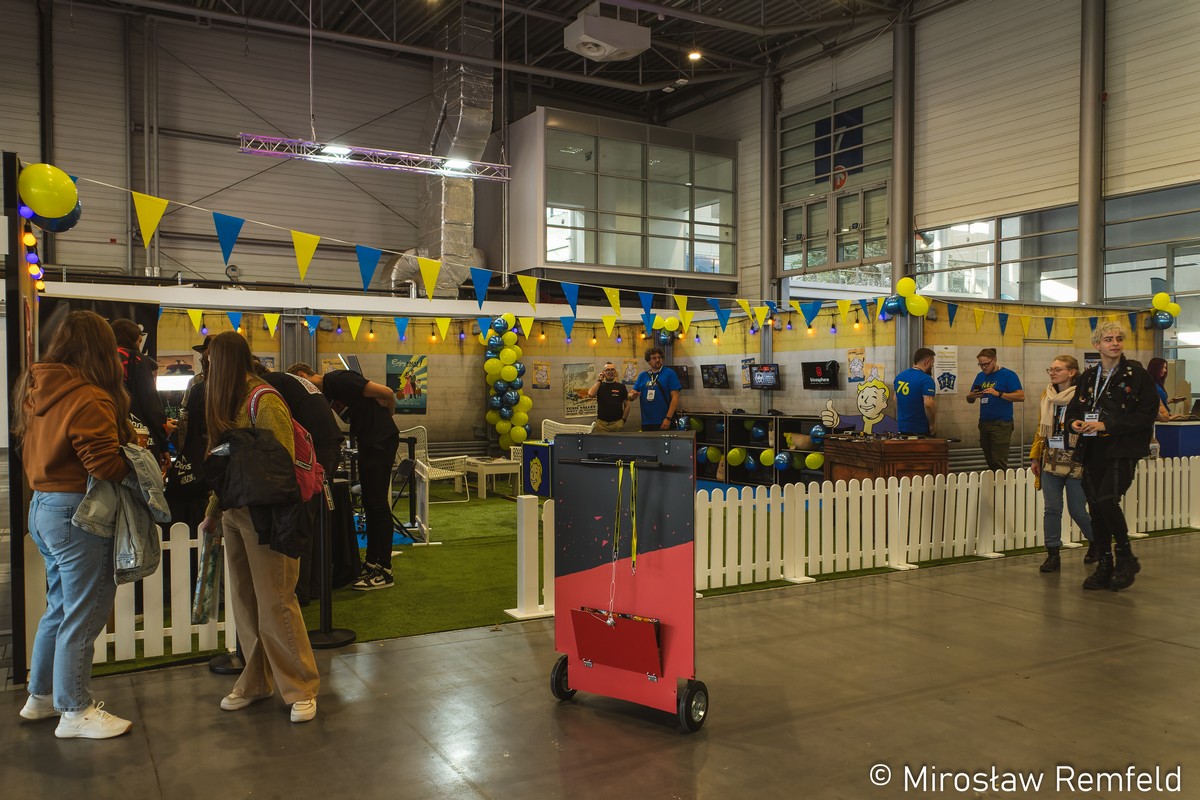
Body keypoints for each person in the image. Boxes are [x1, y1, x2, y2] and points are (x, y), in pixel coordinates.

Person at [13, 310, 136, 739]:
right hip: (78, 511)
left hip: (43, 507)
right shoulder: (89, 396)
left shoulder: (37, 388)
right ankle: (75, 709)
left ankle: (41, 697)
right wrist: (135, 466)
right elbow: (102, 462)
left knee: (61, 607)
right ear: (102, 349)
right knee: (84, 613)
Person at [199, 333, 320, 722]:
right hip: (237, 512)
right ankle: (255, 680)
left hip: (267, 515)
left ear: (224, 361)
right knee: (246, 601)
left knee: (276, 601)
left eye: (210, 360)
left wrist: (273, 520)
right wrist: (215, 511)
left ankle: (301, 686)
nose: (206, 366)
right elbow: (225, 466)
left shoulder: (264, 401)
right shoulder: (230, 401)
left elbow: (282, 464)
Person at [288, 362, 399, 590]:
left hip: (380, 441)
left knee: (377, 504)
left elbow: (388, 392)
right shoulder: (329, 394)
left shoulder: (337, 379)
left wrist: (388, 415)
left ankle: (384, 570)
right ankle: (372, 562)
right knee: (370, 503)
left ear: (302, 375)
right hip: (369, 442)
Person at [1065, 322, 1159, 591]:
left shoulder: (1138, 376)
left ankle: (1126, 556)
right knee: (1095, 506)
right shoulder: (1087, 377)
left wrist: (1107, 425)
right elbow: (1073, 411)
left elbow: (1146, 415)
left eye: (1118, 338)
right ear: (1097, 345)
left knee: (1107, 499)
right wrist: (1074, 424)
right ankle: (1105, 563)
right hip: (1092, 449)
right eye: (1108, 339)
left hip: (1123, 449)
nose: (1115, 343)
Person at [1028, 355, 1095, 572]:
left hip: (1077, 461)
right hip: (1050, 459)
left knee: (1077, 510)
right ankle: (1053, 554)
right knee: (1052, 509)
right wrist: (1035, 456)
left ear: (1072, 372)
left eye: (1058, 369)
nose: (1052, 373)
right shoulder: (1047, 395)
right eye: (1051, 369)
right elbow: (1041, 428)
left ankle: (1097, 542)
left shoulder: (1085, 396)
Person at [110, 318, 174, 464]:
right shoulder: (136, 359)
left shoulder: (103, 359)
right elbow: (150, 403)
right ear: (131, 338)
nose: (139, 345)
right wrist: (163, 444)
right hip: (137, 438)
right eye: (139, 341)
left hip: (108, 436)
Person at [966, 348, 1025, 470]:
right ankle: (994, 480)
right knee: (990, 460)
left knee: (999, 461)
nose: (983, 367)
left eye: (986, 364)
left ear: (994, 360)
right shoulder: (980, 376)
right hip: (984, 423)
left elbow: (1020, 396)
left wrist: (999, 394)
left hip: (1001, 423)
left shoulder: (1008, 375)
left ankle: (1000, 481)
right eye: (981, 365)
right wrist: (971, 396)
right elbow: (970, 399)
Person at [628, 347, 681, 432]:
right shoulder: (643, 376)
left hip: (664, 421)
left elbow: (675, 397)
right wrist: (632, 395)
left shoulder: (669, 373)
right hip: (646, 422)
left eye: (659, 357)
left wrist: (668, 418)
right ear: (648, 361)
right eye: (654, 358)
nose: (657, 360)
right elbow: (630, 395)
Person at [894, 348, 938, 436]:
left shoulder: (899, 377)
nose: (932, 366)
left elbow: (895, 399)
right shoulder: (926, 380)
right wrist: (932, 425)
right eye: (932, 362)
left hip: (901, 428)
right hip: (919, 429)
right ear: (927, 362)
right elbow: (928, 404)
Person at [587, 361, 630, 432]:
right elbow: (591, 394)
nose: (610, 372)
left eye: (612, 370)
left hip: (617, 424)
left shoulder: (621, 387)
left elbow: (627, 405)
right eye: (607, 370)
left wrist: (623, 420)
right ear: (603, 372)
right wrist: (599, 380)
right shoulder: (599, 386)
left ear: (615, 372)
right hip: (601, 425)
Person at [1146, 357, 1186, 422]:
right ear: (1156, 368)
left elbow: (1159, 403)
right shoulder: (1151, 385)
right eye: (1163, 367)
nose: (1165, 370)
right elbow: (1154, 408)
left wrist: (1171, 401)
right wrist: (1171, 417)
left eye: (1165, 368)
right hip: (1161, 420)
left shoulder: (1157, 383)